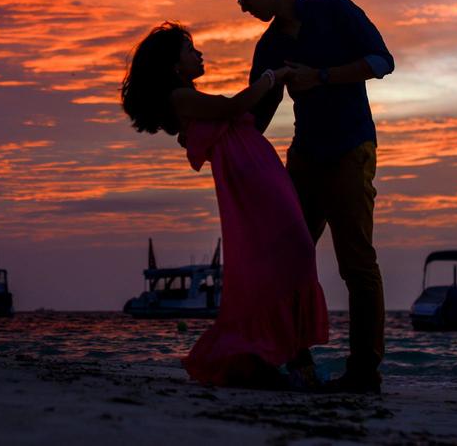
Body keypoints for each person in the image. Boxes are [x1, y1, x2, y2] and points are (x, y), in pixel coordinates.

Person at [219, 0, 394, 393]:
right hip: (304, 158)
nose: (242, 6)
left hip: (352, 150)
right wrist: (222, 143)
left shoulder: (336, 11)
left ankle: (364, 371)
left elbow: (381, 62)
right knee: (285, 258)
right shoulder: (270, 45)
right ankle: (296, 362)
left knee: (356, 263)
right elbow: (259, 111)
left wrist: (321, 76)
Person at [121, 22, 328, 388]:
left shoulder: (188, 96)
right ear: (173, 65)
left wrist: (273, 84)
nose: (198, 54)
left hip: (258, 169)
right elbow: (235, 106)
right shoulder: (179, 98)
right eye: (189, 50)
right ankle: (285, 359)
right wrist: (271, 75)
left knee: (289, 254)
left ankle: (288, 358)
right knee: (292, 251)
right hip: (249, 178)